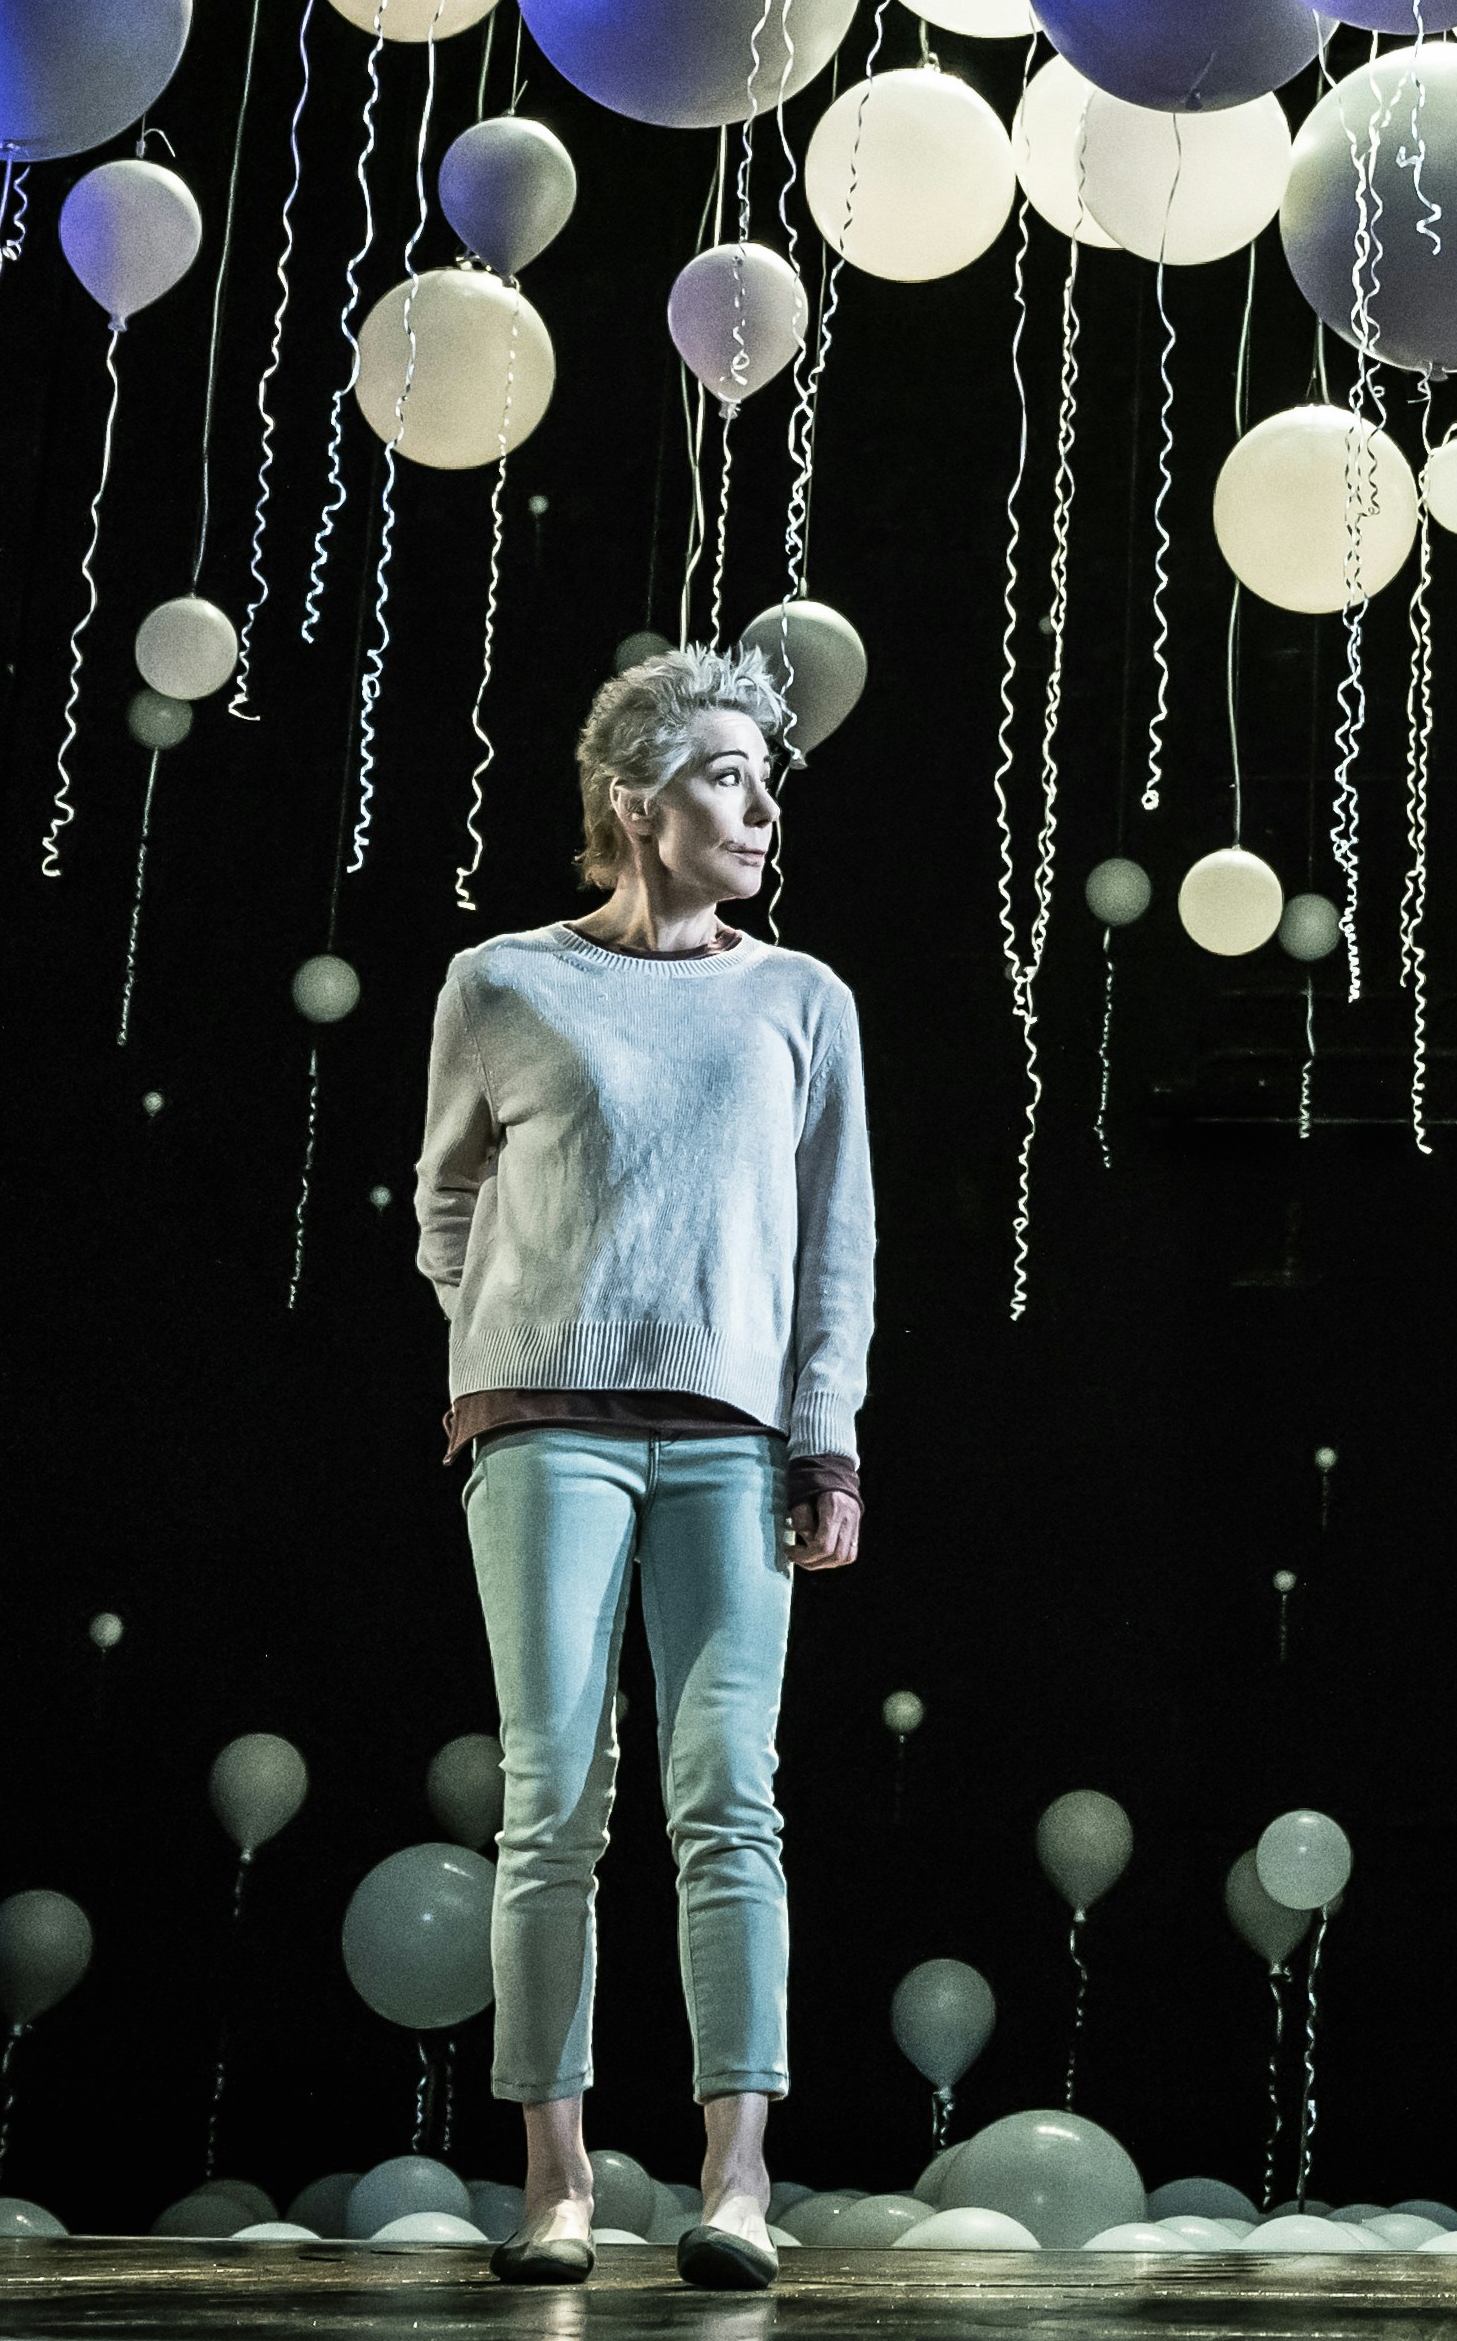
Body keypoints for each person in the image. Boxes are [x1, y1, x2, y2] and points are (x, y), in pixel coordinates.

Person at [413, 644, 875, 2289]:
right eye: (728, 776)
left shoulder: (801, 998)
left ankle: (733, 2182)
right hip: (544, 1429)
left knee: (727, 1803)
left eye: (767, 778)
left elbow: (837, 1247)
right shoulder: (503, 982)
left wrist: (828, 1433)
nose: (761, 806)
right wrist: (515, 1342)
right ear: (637, 802)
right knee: (552, 1802)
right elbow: (445, 1202)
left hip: (735, 1440)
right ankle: (555, 2184)